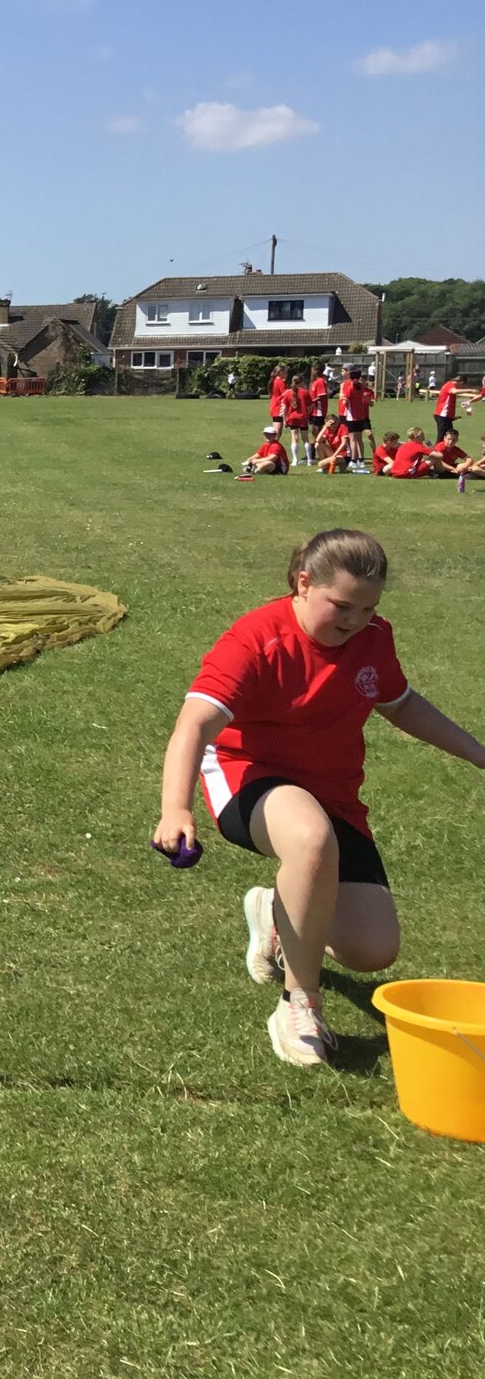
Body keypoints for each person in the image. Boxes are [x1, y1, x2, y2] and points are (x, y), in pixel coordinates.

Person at [154, 529, 485, 1066]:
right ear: (303, 583)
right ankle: (298, 1004)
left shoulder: (374, 636)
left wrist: (478, 753)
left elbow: (400, 704)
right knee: (309, 837)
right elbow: (193, 725)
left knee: (371, 949)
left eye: (368, 608)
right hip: (248, 775)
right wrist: (176, 808)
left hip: (332, 792)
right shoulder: (254, 638)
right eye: (343, 605)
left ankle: (276, 911)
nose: (355, 621)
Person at [283, 376, 311, 468]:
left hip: (292, 418)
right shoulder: (305, 392)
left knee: (294, 438)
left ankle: (295, 459)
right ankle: (309, 460)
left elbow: (285, 408)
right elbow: (310, 406)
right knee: (305, 439)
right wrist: (307, 413)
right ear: (301, 382)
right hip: (303, 417)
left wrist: (284, 420)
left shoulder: (287, 393)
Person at [433, 375, 461, 443]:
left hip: (446, 416)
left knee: (451, 435)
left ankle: (446, 452)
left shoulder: (449, 385)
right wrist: (471, 390)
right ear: (461, 382)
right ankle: (435, 452)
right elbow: (453, 391)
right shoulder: (450, 384)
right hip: (442, 415)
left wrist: (452, 417)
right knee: (442, 436)